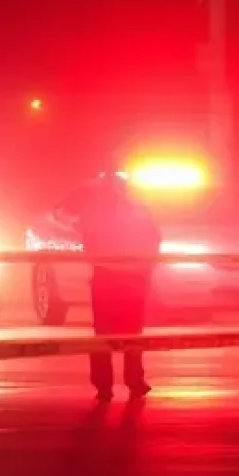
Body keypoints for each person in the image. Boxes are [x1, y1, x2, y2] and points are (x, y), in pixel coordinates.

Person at [75, 174, 161, 406]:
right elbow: (154, 239)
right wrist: (146, 269)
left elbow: (88, 240)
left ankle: (108, 385)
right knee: (128, 332)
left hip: (114, 275)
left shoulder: (97, 213)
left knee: (108, 333)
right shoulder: (137, 211)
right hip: (128, 276)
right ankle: (129, 381)